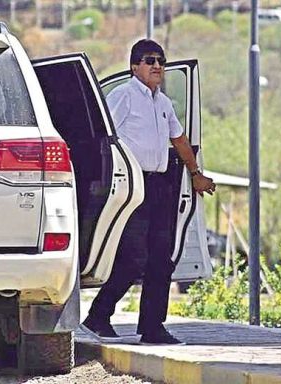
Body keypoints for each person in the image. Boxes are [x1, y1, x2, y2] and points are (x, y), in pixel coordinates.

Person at [82, 39, 216, 345]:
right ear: (134, 66)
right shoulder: (123, 95)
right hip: (132, 184)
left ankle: (152, 328)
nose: (157, 66)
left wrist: (196, 174)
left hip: (160, 186)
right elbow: (104, 137)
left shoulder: (163, 102)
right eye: (149, 60)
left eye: (161, 61)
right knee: (134, 257)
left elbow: (180, 140)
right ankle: (98, 315)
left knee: (161, 257)